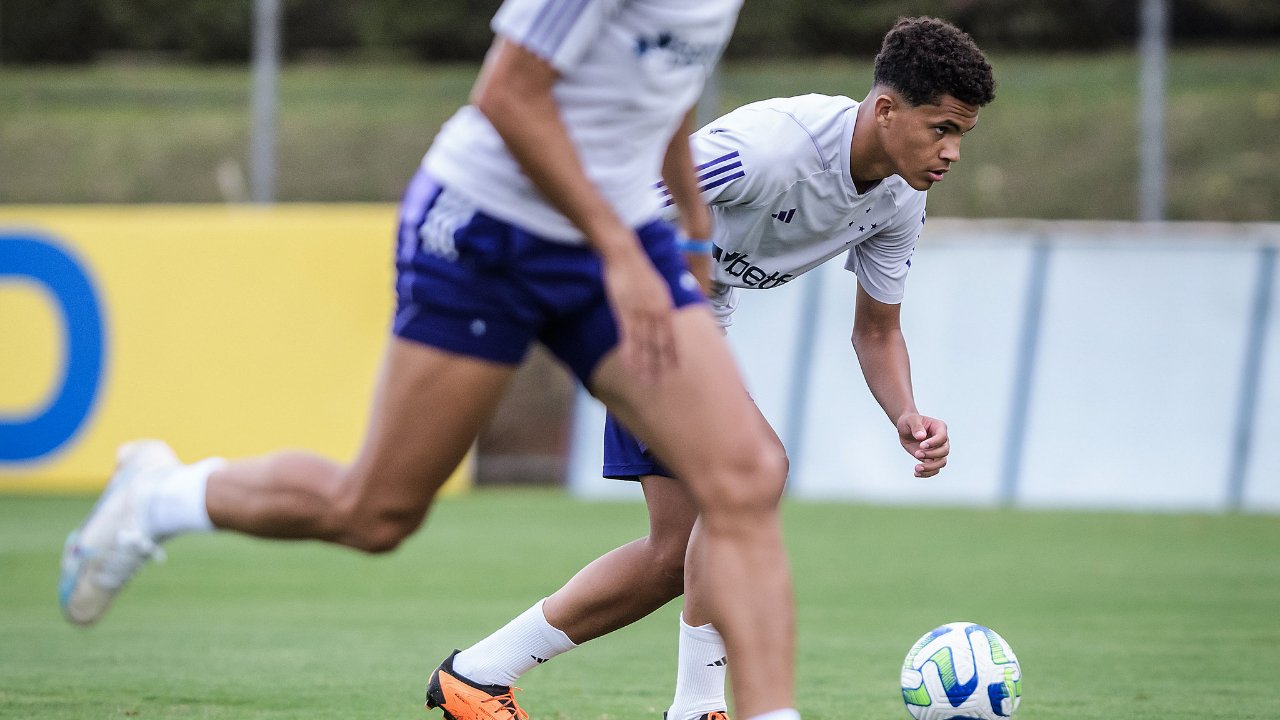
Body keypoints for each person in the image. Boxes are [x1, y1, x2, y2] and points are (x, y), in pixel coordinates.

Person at [59, 3, 807, 720]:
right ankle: (161, 497)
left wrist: (692, 227)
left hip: (617, 227)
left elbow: (668, 91)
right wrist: (617, 247)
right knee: (375, 512)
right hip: (489, 226)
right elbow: (506, 92)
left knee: (744, 473)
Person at [425, 16, 997, 720]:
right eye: (942, 128)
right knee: (758, 470)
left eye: (962, 135)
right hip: (630, 307)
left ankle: (477, 676)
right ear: (886, 110)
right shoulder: (769, 150)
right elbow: (626, 200)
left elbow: (876, 330)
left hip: (696, 322)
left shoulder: (902, 198)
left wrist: (905, 411)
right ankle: (698, 708)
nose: (952, 151)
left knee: (675, 556)